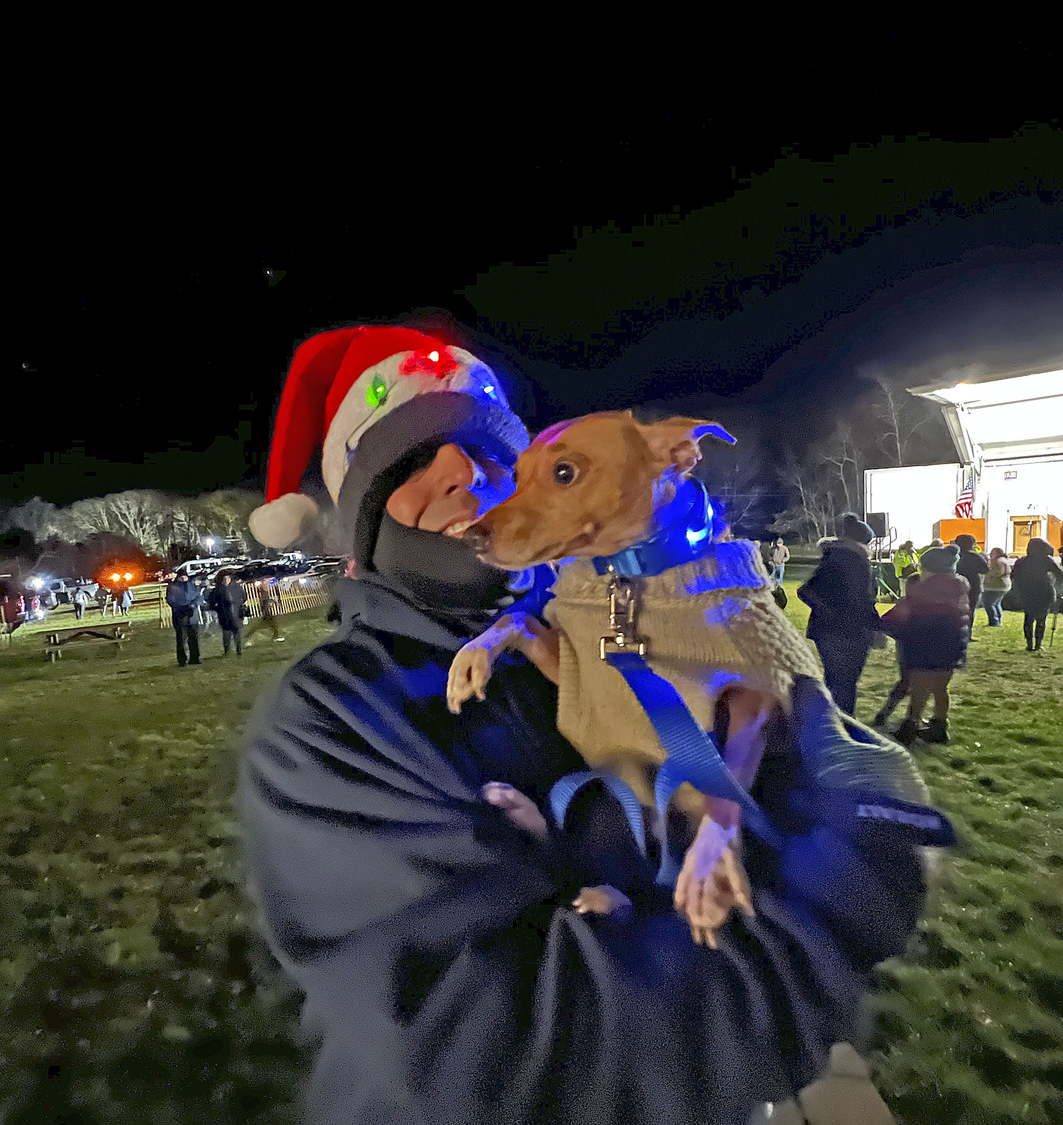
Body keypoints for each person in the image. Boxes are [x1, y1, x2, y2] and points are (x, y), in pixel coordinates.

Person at [238, 323, 941, 1124]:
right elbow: (514, 1047)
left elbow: (734, 752)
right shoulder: (333, 717)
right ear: (360, 525)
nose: (464, 472)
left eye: (490, 450)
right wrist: (838, 899)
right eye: (406, 463)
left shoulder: (608, 614)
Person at [876, 546, 971, 745]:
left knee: (919, 689)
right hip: (952, 645)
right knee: (940, 688)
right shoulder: (959, 585)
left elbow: (908, 612)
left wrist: (884, 625)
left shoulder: (924, 587)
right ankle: (939, 727)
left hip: (926, 645)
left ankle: (909, 728)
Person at [797, 513, 882, 715]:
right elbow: (807, 591)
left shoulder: (840, 557)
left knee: (838, 681)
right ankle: (840, 726)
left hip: (835, 630)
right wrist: (834, 614)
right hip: (845, 631)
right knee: (844, 683)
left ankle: (830, 723)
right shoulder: (850, 559)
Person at [1010, 537, 1063, 652]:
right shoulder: (1047, 560)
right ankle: (1038, 644)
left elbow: (1014, 577)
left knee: (1028, 618)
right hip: (1044, 591)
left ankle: (1029, 644)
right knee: (1041, 618)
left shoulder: (1021, 561)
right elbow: (1062, 574)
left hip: (1026, 591)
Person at [165, 572, 203, 666]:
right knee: (182, 638)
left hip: (192, 614)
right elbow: (171, 600)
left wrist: (194, 604)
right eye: (182, 578)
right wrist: (180, 609)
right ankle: (182, 660)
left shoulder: (191, 585)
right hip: (180, 616)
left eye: (185, 577)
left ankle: (194, 658)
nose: (184, 579)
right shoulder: (173, 587)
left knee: (193, 637)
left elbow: (198, 596)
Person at [209, 571, 248, 655]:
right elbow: (211, 602)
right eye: (224, 579)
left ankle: (239, 650)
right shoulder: (218, 590)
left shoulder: (237, 587)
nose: (226, 580)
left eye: (228, 578)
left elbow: (244, 597)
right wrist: (218, 609)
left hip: (237, 613)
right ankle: (227, 651)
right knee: (226, 633)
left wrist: (239, 605)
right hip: (224, 615)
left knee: (237, 633)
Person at [952, 534, 988, 622]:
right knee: (970, 609)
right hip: (973, 584)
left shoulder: (953, 556)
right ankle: (968, 630)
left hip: (956, 584)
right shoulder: (976, 557)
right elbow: (985, 570)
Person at [980, 547, 1011, 627]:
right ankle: (997, 620)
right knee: (996, 603)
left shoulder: (998, 562)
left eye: (992, 553)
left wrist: (987, 573)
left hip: (996, 586)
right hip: (1002, 586)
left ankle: (994, 621)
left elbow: (997, 572)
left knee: (988, 603)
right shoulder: (1003, 560)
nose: (990, 554)